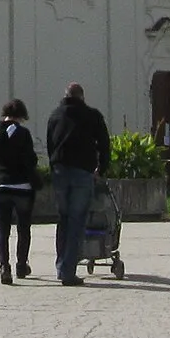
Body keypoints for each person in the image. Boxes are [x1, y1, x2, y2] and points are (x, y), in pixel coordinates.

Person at [44, 82, 111, 286]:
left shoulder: (55, 115)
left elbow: (50, 144)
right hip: (83, 172)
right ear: (82, 97)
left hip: (60, 171)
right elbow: (104, 143)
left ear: (65, 96)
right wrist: (102, 168)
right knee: (77, 221)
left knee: (63, 219)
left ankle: (60, 265)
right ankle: (68, 271)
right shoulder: (92, 115)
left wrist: (54, 165)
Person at [0, 98, 37, 285]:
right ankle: (21, 265)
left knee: (2, 228)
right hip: (22, 186)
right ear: (21, 115)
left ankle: (4, 266)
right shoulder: (23, 133)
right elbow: (30, 160)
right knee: (23, 228)